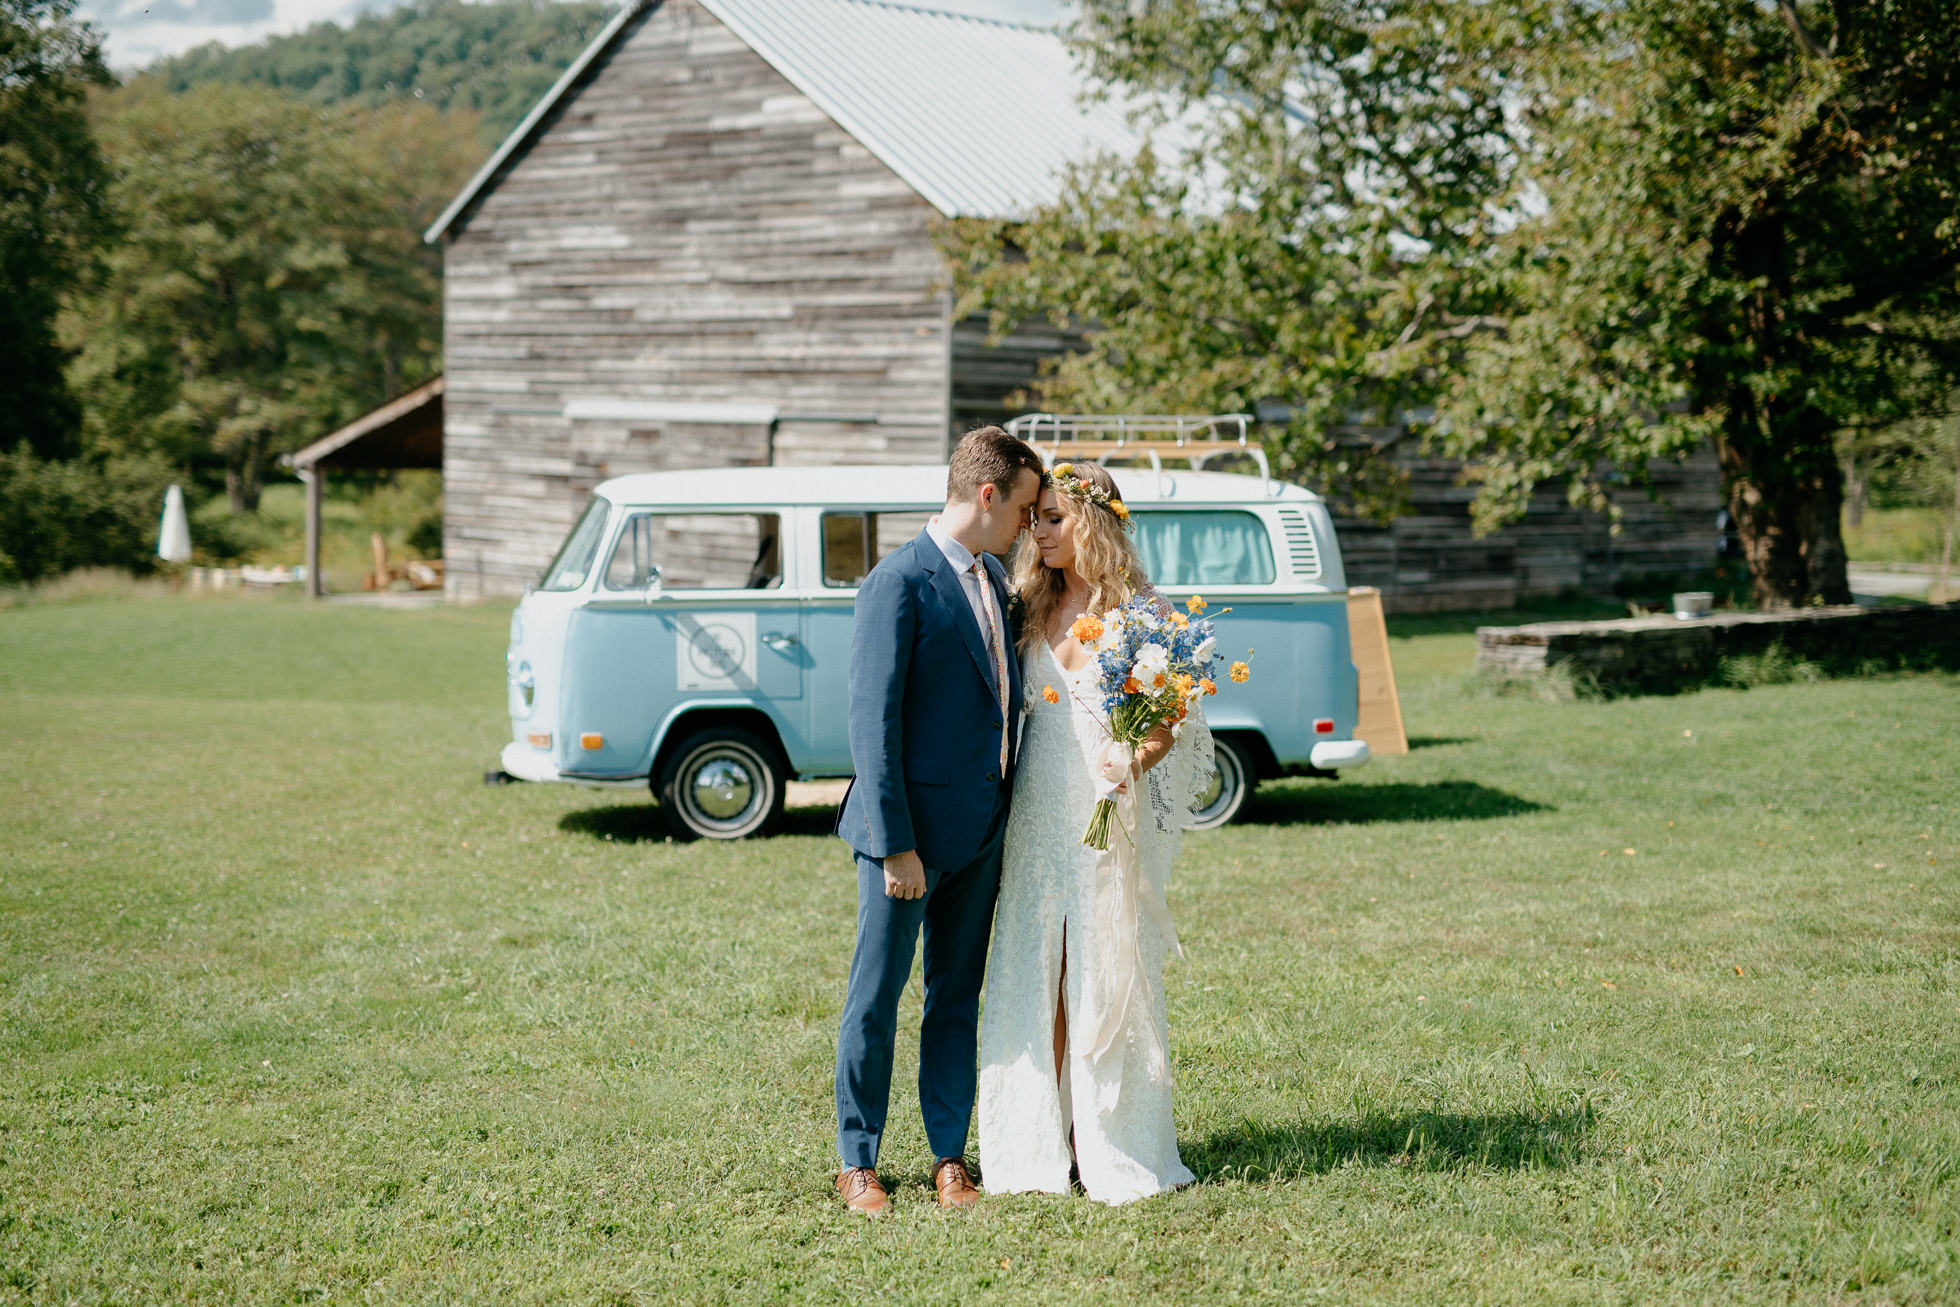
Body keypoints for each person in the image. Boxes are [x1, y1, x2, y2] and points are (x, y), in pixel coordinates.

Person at [977, 461, 1208, 1205]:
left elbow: (1169, 722)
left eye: (1053, 517)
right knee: (1035, 971)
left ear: (1094, 522)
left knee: (1103, 970)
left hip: (1106, 815)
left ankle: (1106, 1138)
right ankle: (1037, 1137)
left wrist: (1130, 762)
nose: (1037, 530)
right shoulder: (1024, 603)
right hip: (1038, 812)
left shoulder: (1143, 611)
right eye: (1035, 516)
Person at [832, 426, 1045, 1216]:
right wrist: (896, 845)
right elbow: (871, 725)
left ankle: (949, 1155)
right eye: (1024, 507)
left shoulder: (996, 576)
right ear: (986, 495)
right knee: (876, 997)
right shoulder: (898, 582)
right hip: (906, 842)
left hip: (981, 835)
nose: (1029, 523)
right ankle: (859, 1160)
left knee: (956, 995)